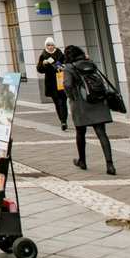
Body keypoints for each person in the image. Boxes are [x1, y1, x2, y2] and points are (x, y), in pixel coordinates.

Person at [63, 45, 115, 175]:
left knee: (80, 132)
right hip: (97, 100)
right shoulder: (90, 63)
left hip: (81, 103)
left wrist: (71, 97)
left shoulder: (69, 68)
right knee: (102, 133)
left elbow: (68, 85)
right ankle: (110, 165)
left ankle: (82, 161)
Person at [36, 37, 67, 130]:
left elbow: (65, 64)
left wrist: (62, 66)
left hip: (61, 80)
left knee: (63, 102)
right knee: (57, 103)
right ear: (46, 46)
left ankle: (64, 120)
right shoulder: (43, 55)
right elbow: (39, 70)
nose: (50, 47)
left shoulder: (60, 54)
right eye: (48, 45)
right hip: (51, 82)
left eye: (52, 45)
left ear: (55, 45)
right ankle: (62, 120)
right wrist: (43, 64)